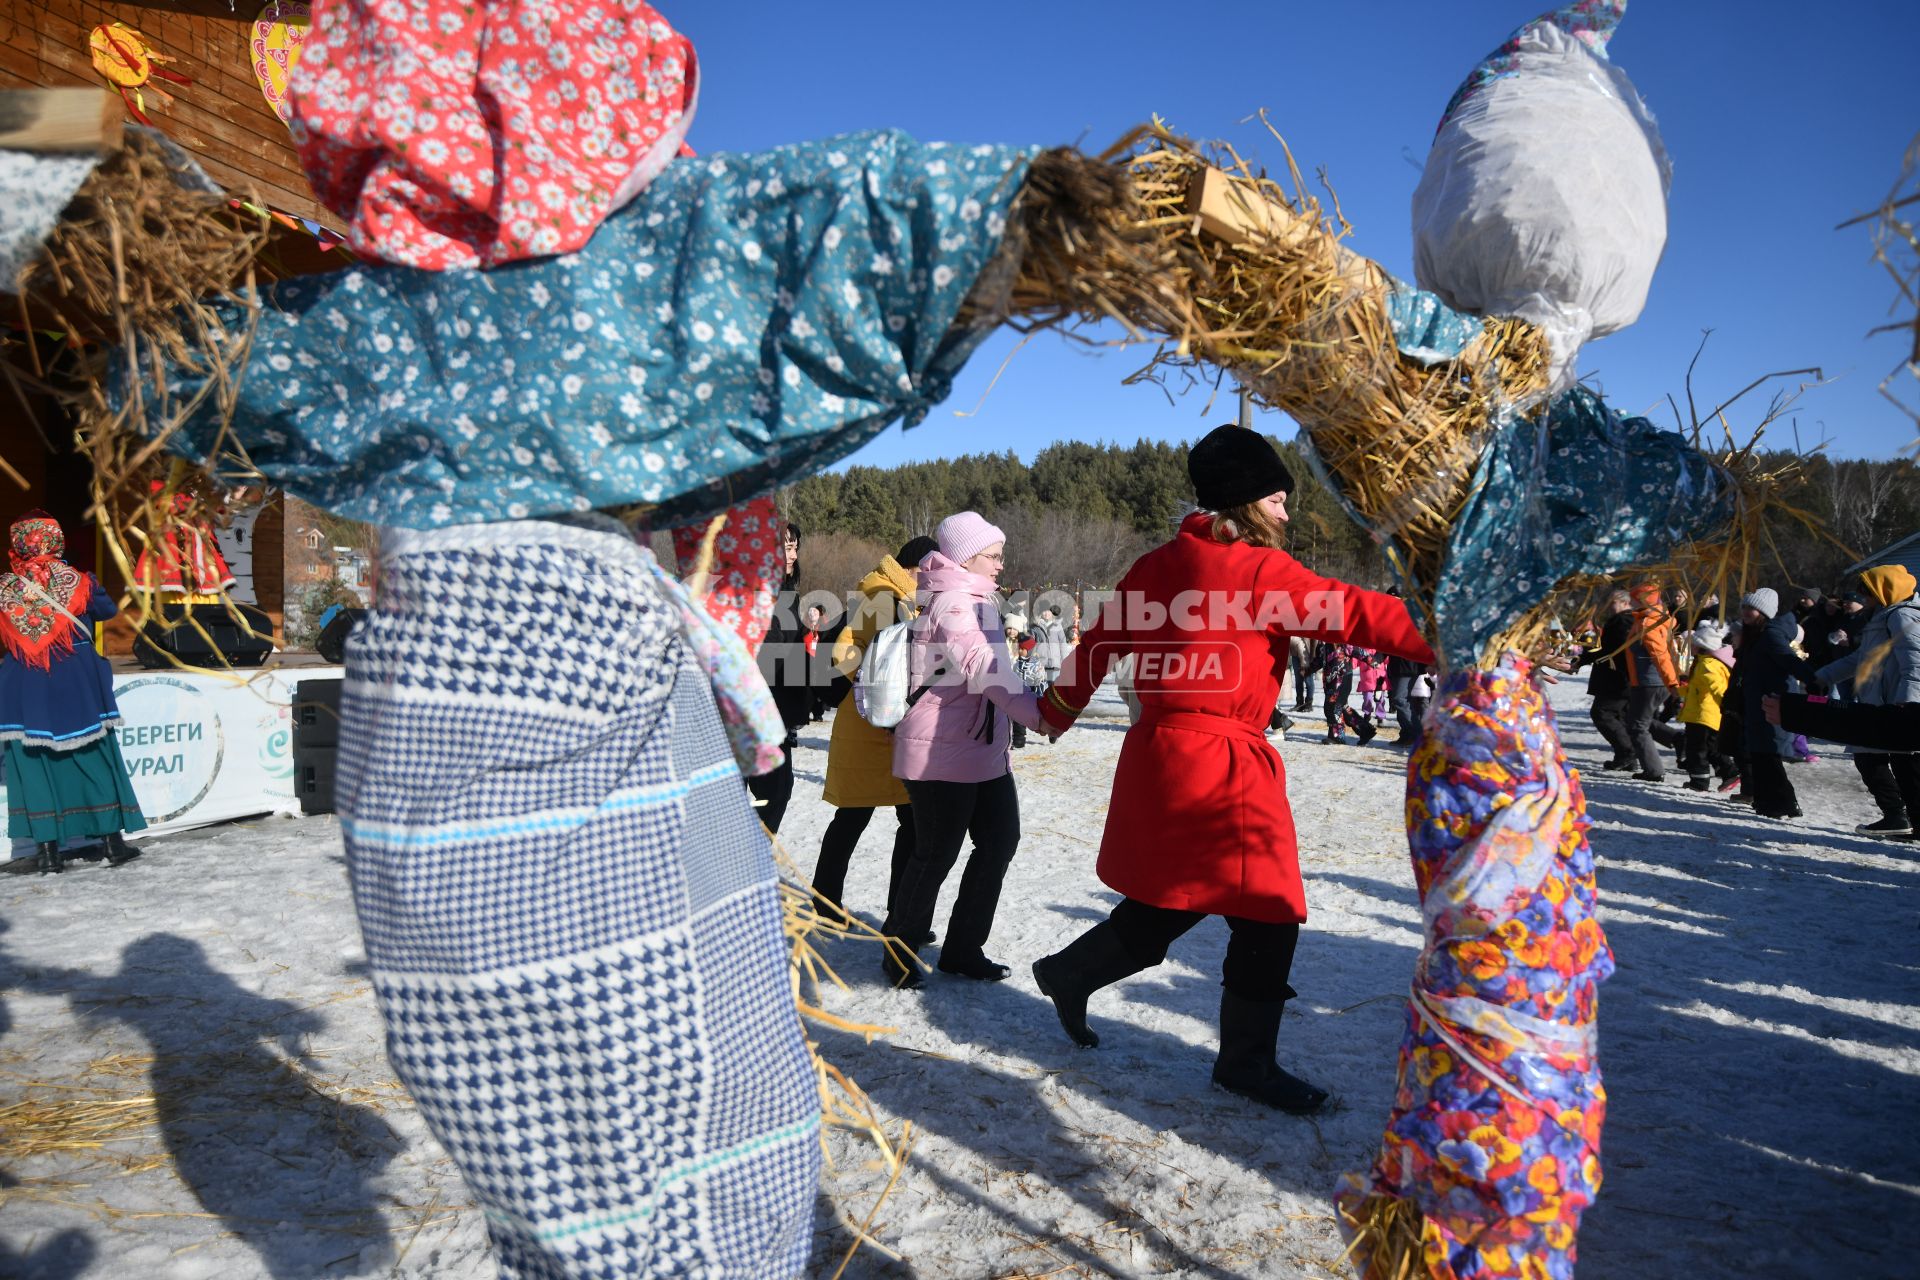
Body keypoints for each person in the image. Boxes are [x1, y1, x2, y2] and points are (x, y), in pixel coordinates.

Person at [1029, 425, 1435, 1113]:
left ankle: (1070, 972)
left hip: (1158, 759)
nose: (1287, 511)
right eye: (1279, 499)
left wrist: (1057, 711)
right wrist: (1461, 634)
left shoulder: (1153, 567)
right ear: (1246, 502)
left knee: (1172, 897)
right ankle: (1245, 1064)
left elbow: (1095, 647)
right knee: (1268, 912)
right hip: (1221, 765)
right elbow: (1357, 614)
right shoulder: (1257, 570)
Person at [878, 512, 1045, 988]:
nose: (1000, 564)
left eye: (999, 555)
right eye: (991, 556)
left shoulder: (981, 600)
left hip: (983, 750)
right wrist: (1037, 713)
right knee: (935, 854)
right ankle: (899, 949)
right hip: (939, 751)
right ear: (965, 557)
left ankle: (963, 948)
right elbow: (982, 665)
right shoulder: (952, 602)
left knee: (999, 842)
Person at [0, 512, 146, 874]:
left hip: (23, 685)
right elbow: (107, 610)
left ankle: (48, 854)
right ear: (56, 539)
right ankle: (113, 844)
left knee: (33, 769)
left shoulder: (5, 588)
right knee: (95, 759)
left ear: (18, 544)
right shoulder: (79, 581)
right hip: (76, 680)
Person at [813, 535, 940, 923]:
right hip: (873, 729)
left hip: (884, 730)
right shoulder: (884, 598)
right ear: (916, 567)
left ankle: (894, 910)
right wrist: (877, 698)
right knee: (864, 819)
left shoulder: (892, 596)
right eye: (930, 572)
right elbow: (844, 652)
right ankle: (833, 902)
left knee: (899, 820)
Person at [1814, 565, 1920, 838]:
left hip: (1895, 705)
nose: (1863, 596)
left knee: (1897, 764)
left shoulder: (1901, 617)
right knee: (1877, 758)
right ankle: (1900, 818)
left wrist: (1908, 702)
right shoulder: (1881, 617)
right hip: (1878, 702)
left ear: (1884, 590)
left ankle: (1899, 817)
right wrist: (1823, 676)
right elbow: (1860, 659)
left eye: (1867, 590)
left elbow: (1916, 662)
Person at [1735, 589, 1817, 820]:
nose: (1745, 612)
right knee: (1759, 753)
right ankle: (1765, 802)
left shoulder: (1769, 635)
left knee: (1768, 755)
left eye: (1751, 608)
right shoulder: (1753, 634)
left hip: (1772, 701)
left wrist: (1815, 681)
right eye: (1743, 607)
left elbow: (1791, 662)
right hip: (1756, 701)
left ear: (1763, 612)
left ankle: (1785, 802)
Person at [749, 522, 809, 833]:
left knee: (778, 792)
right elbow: (764, 656)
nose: (793, 554)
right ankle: (741, 866)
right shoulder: (755, 593)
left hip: (776, 715)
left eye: (795, 547)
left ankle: (748, 864)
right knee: (771, 794)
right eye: (787, 546)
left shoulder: (787, 595)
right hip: (751, 714)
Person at [1621, 582, 1680, 782]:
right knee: (1639, 721)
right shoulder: (1658, 618)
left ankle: (1654, 771)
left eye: (1633, 599)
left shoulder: (1648, 624)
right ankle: (1678, 739)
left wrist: (1673, 684)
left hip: (1649, 683)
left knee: (1637, 725)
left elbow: (1660, 655)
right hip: (1652, 681)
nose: (1630, 602)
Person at [1575, 589, 1636, 770]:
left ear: (1625, 603)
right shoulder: (1627, 620)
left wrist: (1581, 660)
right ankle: (1627, 758)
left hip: (1617, 678)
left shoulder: (1623, 621)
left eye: (1614, 603)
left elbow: (1610, 649)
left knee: (1603, 713)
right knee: (1621, 716)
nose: (1610, 607)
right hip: (1621, 677)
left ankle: (1627, 752)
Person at [1676, 619, 1739, 793]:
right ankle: (1730, 773)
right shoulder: (1706, 663)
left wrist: (1728, 706)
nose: (1691, 647)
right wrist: (1680, 691)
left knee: (1697, 749)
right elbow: (1697, 688)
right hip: (1704, 714)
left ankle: (1699, 782)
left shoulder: (1707, 666)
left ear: (1701, 646)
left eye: (1694, 644)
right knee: (1711, 748)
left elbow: (1718, 688)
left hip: (1703, 715)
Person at [1035, 607, 1070, 684]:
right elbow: (1034, 643)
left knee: (1054, 685)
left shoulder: (1057, 626)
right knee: (1042, 684)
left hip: (1055, 662)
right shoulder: (1037, 626)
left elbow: (1063, 643)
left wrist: (1064, 660)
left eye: (1048, 611)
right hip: (1041, 662)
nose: (1046, 613)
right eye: (1044, 611)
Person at [1288, 636, 1316, 711]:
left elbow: (1314, 639)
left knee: (1308, 680)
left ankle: (1308, 704)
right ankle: (1299, 703)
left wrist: (1313, 654)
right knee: (1298, 680)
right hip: (1295, 654)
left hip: (1306, 652)